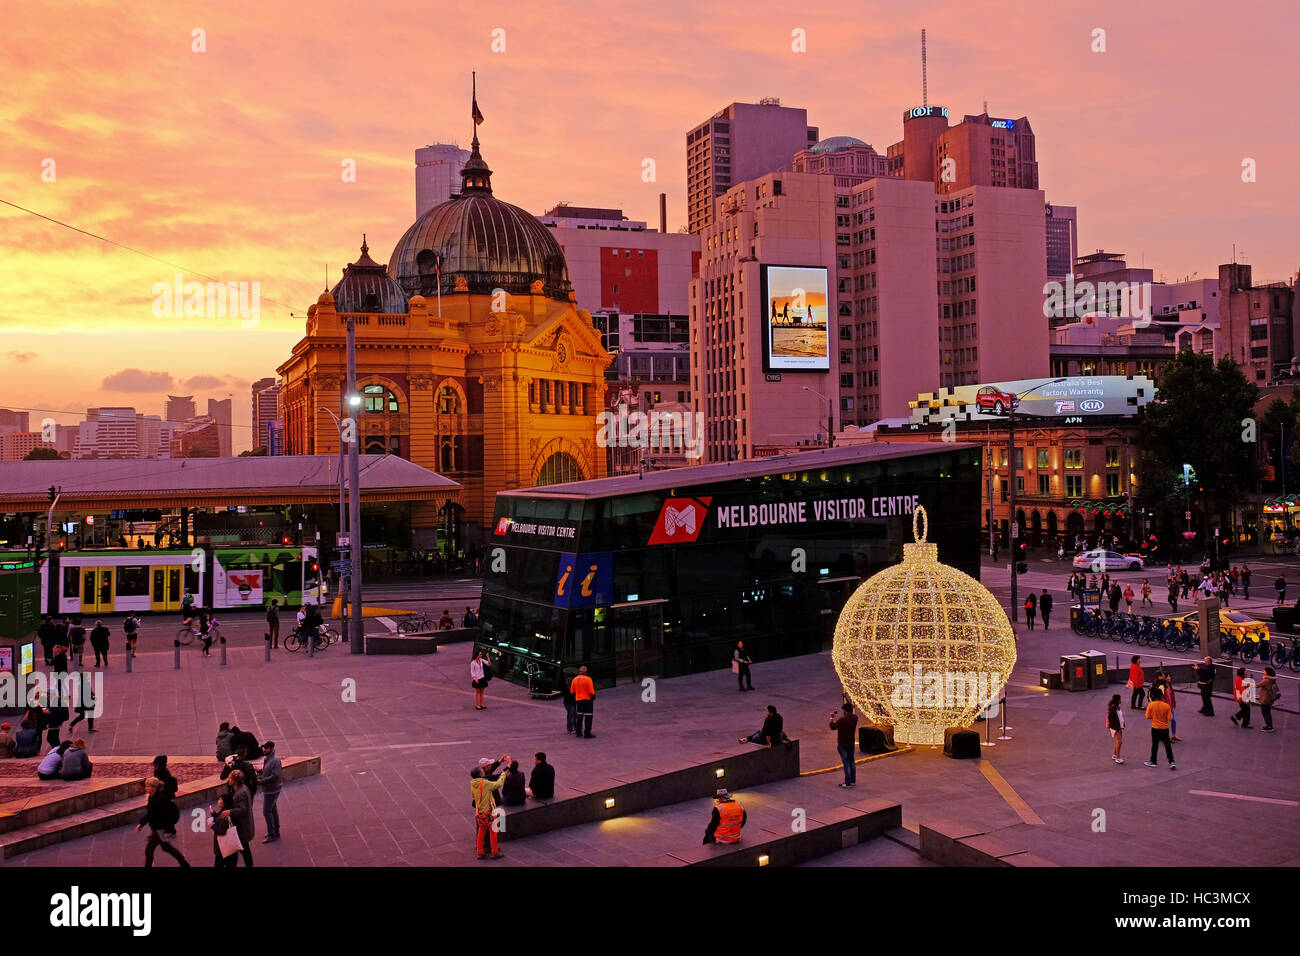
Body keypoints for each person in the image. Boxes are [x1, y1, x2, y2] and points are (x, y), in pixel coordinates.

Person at [137, 776, 190, 867]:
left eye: (147, 786)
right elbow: (150, 813)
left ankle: (184, 863)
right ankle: (184, 863)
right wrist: (141, 824)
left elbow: (166, 816)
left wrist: (168, 830)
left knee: (149, 850)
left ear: (154, 787)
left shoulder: (160, 799)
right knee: (166, 848)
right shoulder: (152, 797)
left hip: (160, 828)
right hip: (157, 828)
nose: (145, 788)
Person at [470, 765, 507, 860]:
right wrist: (503, 774)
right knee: (493, 832)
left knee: (481, 832)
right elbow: (498, 784)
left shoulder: (473, 784)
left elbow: (474, 797)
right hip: (489, 812)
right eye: (482, 771)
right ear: (481, 774)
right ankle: (495, 852)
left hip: (479, 812)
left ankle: (480, 852)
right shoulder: (485, 783)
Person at [221, 768, 255, 866]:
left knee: (243, 848)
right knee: (243, 848)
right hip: (243, 825)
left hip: (242, 826)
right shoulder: (243, 788)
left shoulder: (240, 793)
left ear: (235, 781)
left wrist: (230, 811)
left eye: (230, 779)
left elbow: (242, 810)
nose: (229, 780)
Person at [258, 740, 283, 843]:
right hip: (270, 789)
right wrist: (261, 771)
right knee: (272, 810)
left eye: (266, 748)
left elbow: (275, 775)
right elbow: (269, 771)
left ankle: (272, 834)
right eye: (264, 748)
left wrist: (262, 781)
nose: (264, 750)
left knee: (266, 811)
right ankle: (275, 831)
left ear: (272, 748)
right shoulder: (268, 759)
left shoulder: (275, 760)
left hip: (272, 790)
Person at [829, 701, 858, 788]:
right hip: (851, 743)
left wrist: (831, 718)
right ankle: (853, 780)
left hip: (843, 744)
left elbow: (832, 727)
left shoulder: (842, 720)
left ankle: (847, 782)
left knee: (846, 763)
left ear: (845, 711)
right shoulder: (855, 718)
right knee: (852, 762)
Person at [209, 793, 240, 867]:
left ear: (224, 803)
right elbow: (219, 818)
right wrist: (213, 814)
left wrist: (212, 825)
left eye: (220, 800)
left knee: (219, 864)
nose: (218, 801)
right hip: (227, 847)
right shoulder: (224, 811)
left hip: (223, 848)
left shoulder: (225, 815)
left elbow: (221, 831)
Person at [571, 665, 596, 738]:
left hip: (579, 701)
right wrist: (593, 697)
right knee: (588, 717)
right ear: (586, 672)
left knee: (579, 717)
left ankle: (578, 732)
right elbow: (591, 691)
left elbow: (572, 691)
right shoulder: (588, 679)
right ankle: (587, 733)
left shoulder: (575, 679)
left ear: (579, 671)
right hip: (587, 701)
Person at [1258, 667, 1279, 732]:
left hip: (1265, 699)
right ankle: (1270, 725)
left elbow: (1257, 685)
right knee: (1268, 712)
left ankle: (1269, 726)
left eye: (1264, 671)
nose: (1263, 672)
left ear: (1267, 672)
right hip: (1270, 699)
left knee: (1264, 712)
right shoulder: (1272, 680)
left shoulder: (1266, 680)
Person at [1106, 693, 1125, 764]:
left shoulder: (1117, 706)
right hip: (1116, 727)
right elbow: (1111, 718)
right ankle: (1118, 757)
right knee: (1119, 742)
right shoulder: (1113, 708)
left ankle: (1114, 754)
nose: (1121, 700)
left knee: (1118, 741)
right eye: (1120, 699)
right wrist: (1117, 727)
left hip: (1119, 726)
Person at [561, 669, 578, 735]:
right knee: (571, 715)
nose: (573, 678)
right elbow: (564, 693)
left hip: (571, 702)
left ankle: (574, 728)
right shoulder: (567, 684)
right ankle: (571, 729)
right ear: (569, 677)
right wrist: (571, 694)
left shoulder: (569, 683)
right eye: (572, 677)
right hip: (569, 702)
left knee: (573, 715)